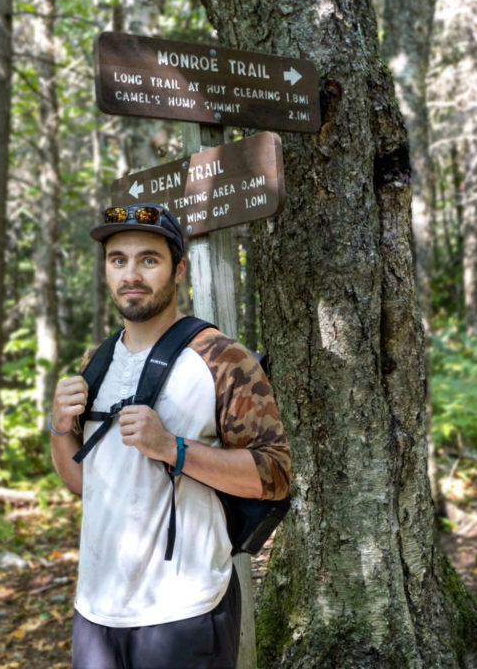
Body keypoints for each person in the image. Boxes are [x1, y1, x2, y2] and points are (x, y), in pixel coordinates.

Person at [48, 203, 291, 669]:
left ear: (178, 270)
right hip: (96, 608)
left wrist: (172, 448)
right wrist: (60, 427)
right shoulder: (94, 362)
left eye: (149, 260)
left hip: (186, 608)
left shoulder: (221, 358)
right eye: (118, 260)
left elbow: (275, 475)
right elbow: (84, 484)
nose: (131, 274)